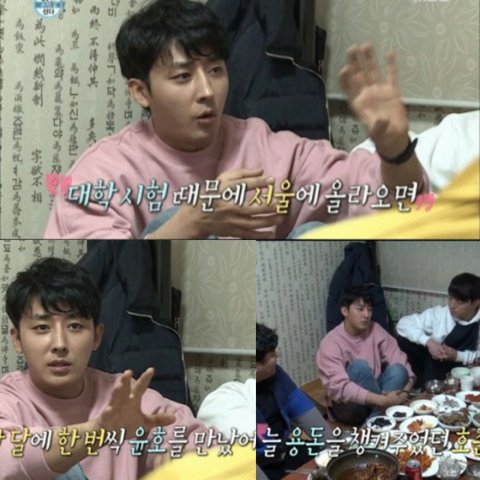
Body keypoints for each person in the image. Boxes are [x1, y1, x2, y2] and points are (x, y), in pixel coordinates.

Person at [45, 0, 426, 240]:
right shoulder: (102, 174)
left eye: (216, 70)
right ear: (141, 91)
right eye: (183, 76)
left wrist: (395, 149)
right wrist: (195, 219)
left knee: (312, 233)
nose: (206, 91)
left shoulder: (267, 147)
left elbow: (404, 204)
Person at [0, 257, 209, 480]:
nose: (60, 344)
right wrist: (101, 430)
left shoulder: (126, 399)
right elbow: (9, 457)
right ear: (17, 340)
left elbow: (204, 445)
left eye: (75, 326)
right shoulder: (8, 400)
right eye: (42, 327)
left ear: (97, 336)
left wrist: (181, 458)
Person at [317, 285, 415, 425]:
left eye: (369, 309)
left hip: (374, 393)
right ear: (345, 311)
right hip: (349, 405)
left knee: (399, 369)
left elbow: (399, 358)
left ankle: (374, 422)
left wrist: (405, 392)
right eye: (360, 309)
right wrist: (383, 401)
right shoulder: (330, 342)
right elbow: (341, 388)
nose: (366, 315)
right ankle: (381, 417)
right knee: (359, 367)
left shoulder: (375, 329)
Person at [256, 323, 333, 480]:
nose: (277, 355)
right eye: (272, 355)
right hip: (259, 463)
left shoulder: (276, 375)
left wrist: (333, 447)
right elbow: (261, 439)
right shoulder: (236, 398)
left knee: (328, 458)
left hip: (283, 451)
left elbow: (303, 408)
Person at [396, 273, 480, 388]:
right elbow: (403, 324)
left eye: (460, 302)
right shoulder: (439, 315)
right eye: (450, 298)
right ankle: (419, 387)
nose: (452, 305)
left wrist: (457, 356)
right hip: (435, 365)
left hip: (466, 370)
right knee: (403, 341)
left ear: (476, 303)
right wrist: (429, 342)